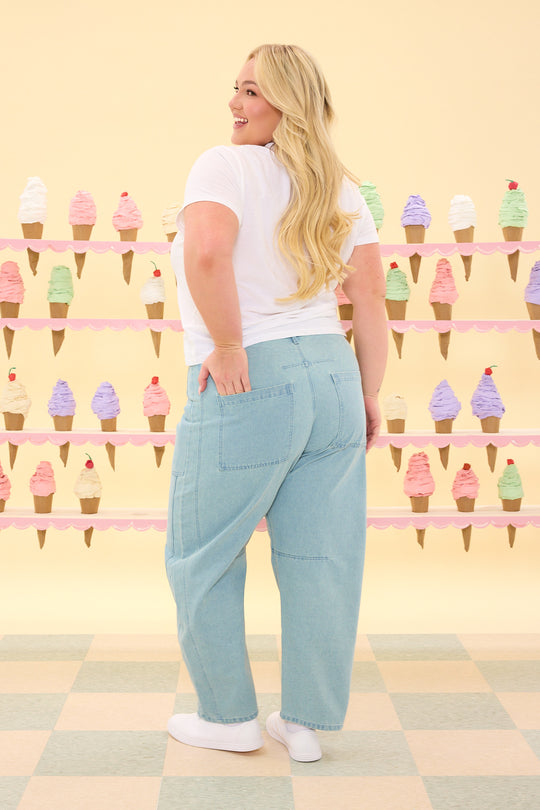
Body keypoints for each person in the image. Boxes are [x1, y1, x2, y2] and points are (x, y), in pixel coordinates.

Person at [165, 43, 387, 762]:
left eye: (253, 91)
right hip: (333, 379)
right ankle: (306, 724)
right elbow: (372, 302)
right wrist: (370, 392)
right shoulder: (343, 188)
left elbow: (206, 253)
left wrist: (227, 345)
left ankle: (228, 717)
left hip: (249, 376)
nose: (235, 103)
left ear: (288, 102)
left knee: (205, 553)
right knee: (324, 556)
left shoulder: (220, 166)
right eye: (235, 88)